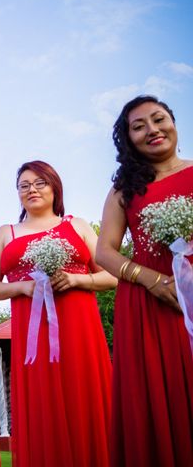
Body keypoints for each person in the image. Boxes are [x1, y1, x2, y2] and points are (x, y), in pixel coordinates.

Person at [0, 160, 116, 467]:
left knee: (84, 400)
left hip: (79, 328)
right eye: (24, 185)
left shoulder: (77, 225)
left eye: (39, 183)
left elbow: (112, 276)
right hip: (33, 337)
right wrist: (23, 288)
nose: (32, 190)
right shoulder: (7, 233)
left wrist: (76, 279)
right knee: (43, 407)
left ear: (54, 186)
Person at [95, 96, 193, 467]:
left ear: (173, 122)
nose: (152, 130)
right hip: (151, 307)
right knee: (160, 403)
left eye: (159, 119)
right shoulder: (125, 189)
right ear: (129, 139)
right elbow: (104, 251)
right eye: (139, 126)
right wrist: (150, 279)